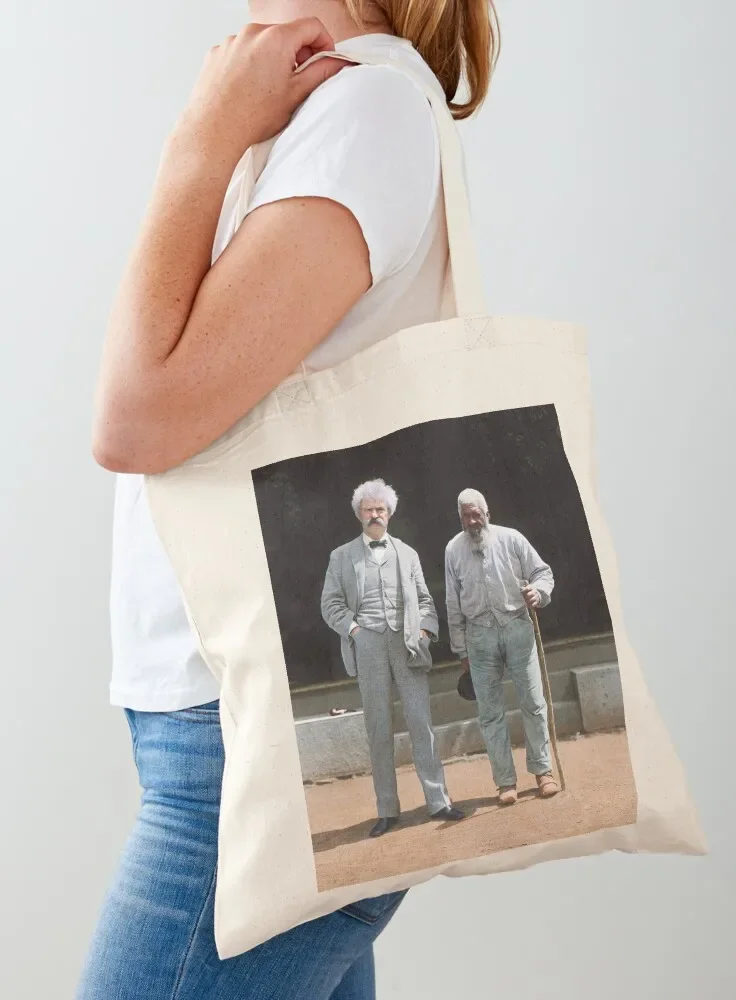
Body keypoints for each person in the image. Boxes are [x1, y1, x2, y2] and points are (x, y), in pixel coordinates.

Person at [79, 0, 499, 996]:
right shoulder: (315, 106)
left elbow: (135, 417)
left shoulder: (365, 111)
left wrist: (201, 138)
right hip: (227, 734)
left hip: (256, 763)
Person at [321, 479, 465, 835]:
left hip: (407, 645)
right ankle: (387, 809)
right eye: (368, 510)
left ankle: (438, 801)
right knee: (378, 729)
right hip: (367, 645)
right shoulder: (341, 557)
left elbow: (427, 602)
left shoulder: (407, 553)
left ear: (389, 514)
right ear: (359, 514)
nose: (374, 515)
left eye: (380, 510)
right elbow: (330, 604)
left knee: (421, 722)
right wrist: (355, 631)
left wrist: (425, 632)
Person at [445, 488, 560, 805]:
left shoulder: (512, 539)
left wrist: (538, 592)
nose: (472, 520)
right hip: (479, 637)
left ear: (487, 513)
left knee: (533, 702)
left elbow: (542, 572)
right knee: (489, 714)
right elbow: (452, 604)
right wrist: (461, 652)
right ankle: (505, 783)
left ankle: (543, 773)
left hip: (517, 628)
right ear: (460, 518)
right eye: (466, 515)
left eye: (476, 513)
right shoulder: (453, 550)